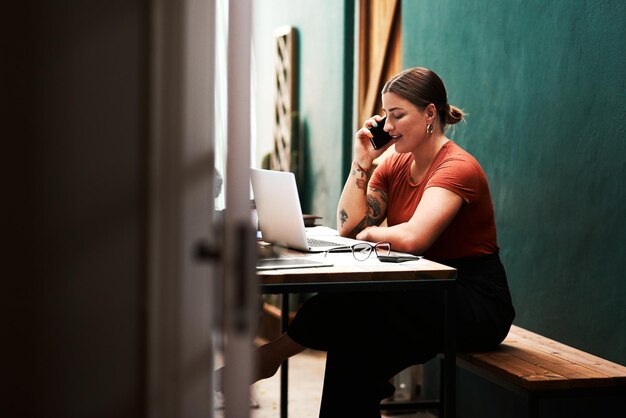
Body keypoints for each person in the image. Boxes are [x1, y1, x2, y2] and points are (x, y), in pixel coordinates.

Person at [218, 67, 516, 417]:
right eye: (385, 115)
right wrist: (362, 162)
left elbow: (413, 238)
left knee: (360, 322)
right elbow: (349, 225)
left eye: (397, 115)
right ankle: (272, 358)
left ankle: (272, 355)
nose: (387, 127)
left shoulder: (457, 168)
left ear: (430, 114)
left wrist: (371, 235)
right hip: (425, 290)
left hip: (471, 299)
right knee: (358, 337)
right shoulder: (394, 162)